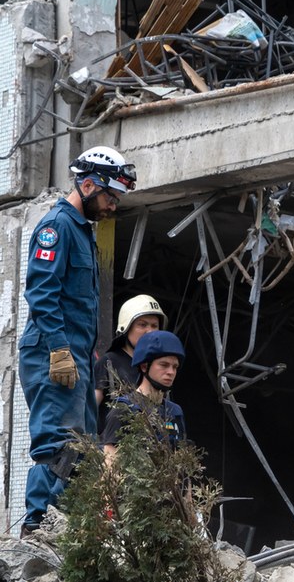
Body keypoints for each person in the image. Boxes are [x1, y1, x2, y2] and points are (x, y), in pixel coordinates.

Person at [17, 145, 136, 535]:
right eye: (109, 196)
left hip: (75, 355)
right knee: (57, 442)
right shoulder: (57, 227)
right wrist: (60, 349)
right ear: (87, 185)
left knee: (82, 447)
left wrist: (86, 353)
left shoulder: (82, 231)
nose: (112, 206)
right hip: (53, 352)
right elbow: (41, 292)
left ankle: (64, 527)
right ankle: (37, 526)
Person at [100, 330, 187, 461]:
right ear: (144, 366)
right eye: (164, 365)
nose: (171, 372)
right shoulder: (124, 408)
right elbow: (111, 468)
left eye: (175, 367)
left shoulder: (175, 412)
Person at [94, 295, 168, 435]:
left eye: (154, 326)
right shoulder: (108, 362)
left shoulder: (161, 368)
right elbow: (89, 413)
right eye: (142, 325)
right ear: (126, 328)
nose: (150, 331)